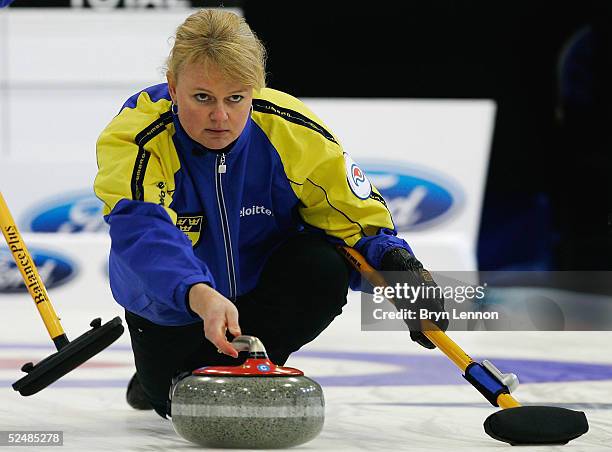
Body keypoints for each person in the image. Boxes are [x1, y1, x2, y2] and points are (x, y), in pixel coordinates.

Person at [94, 8, 447, 419]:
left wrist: (398, 270)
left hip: (260, 296)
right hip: (173, 306)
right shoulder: (135, 136)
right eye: (202, 97)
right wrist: (197, 292)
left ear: (256, 90)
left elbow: (352, 220)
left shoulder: (291, 131)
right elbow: (144, 234)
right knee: (175, 403)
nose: (220, 117)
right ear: (173, 88)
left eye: (236, 98)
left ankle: (238, 363)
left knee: (322, 266)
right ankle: (162, 372)